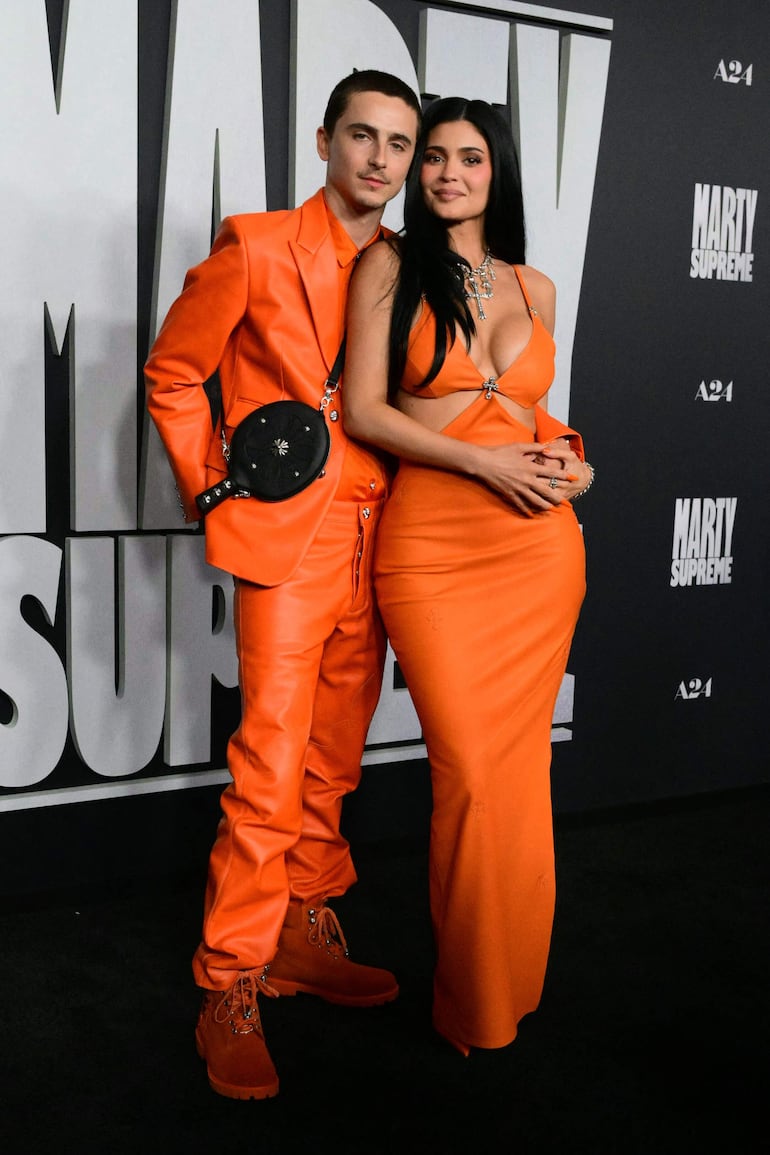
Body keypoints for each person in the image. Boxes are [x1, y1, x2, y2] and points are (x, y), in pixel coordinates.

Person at [144, 70, 421, 1100]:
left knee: (333, 762)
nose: (380, 159)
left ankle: (301, 931)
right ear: (324, 141)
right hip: (287, 543)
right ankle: (229, 980)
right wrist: (214, 491)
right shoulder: (257, 245)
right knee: (269, 763)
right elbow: (174, 373)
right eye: (362, 135)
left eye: (399, 143)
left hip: (383, 537)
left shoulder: (410, 265)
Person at [342, 96, 593, 1056]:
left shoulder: (537, 287)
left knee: (522, 774)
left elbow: (531, 415)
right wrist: (482, 463)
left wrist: (572, 461)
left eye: (471, 157)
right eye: (435, 157)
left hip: (538, 550)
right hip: (434, 550)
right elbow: (366, 410)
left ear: (499, 172)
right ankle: (476, 1001)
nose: (449, 173)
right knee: (473, 773)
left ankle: (506, 990)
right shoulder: (390, 266)